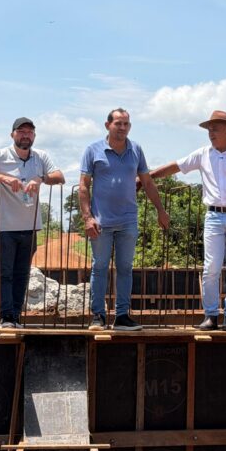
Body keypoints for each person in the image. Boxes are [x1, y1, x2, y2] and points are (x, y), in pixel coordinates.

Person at [151, 110, 226, 332]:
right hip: (213, 216)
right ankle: (210, 315)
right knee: (211, 268)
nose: (211, 133)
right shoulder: (203, 154)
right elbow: (176, 166)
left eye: (215, 128)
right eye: (209, 129)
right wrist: (147, 177)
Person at [79, 108, 169, 332]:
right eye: (118, 123)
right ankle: (98, 316)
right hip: (101, 221)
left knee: (125, 268)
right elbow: (83, 186)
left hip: (128, 220)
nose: (122, 127)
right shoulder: (93, 150)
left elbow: (147, 182)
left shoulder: (136, 150)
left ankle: (121, 316)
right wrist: (88, 218)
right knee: (100, 267)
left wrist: (160, 210)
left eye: (126, 124)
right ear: (107, 125)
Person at [0, 118, 64, 328]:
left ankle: (15, 315)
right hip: (2, 227)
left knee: (22, 273)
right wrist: (2, 178)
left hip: (29, 226)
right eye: (21, 131)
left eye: (29, 132)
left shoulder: (40, 157)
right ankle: (5, 317)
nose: (25, 135)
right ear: (12, 134)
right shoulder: (1, 156)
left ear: (34, 136)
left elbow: (59, 177)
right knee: (4, 273)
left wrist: (40, 179)